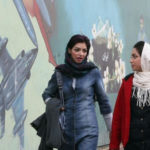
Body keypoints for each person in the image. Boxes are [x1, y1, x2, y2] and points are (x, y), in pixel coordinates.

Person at [42, 34, 112, 150]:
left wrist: (112, 130)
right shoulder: (60, 73)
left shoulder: (93, 72)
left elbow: (104, 102)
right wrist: (55, 105)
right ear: (69, 50)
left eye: (84, 51)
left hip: (88, 131)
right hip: (65, 132)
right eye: (77, 50)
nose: (81, 54)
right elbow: (46, 94)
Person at [109, 41, 150, 150]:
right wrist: (114, 146)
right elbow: (118, 117)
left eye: (134, 56)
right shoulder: (127, 83)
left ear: (145, 58)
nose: (130, 60)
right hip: (132, 145)